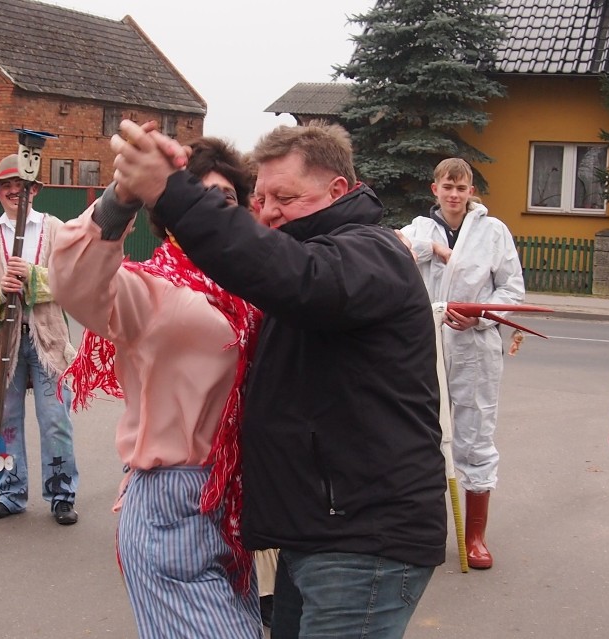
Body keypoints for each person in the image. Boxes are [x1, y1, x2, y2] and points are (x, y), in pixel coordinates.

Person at [110, 120, 447, 639]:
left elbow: (293, 275)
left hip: (363, 545)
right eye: (261, 197)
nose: (266, 211)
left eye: (284, 197)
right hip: (319, 537)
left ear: (337, 190)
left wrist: (171, 191)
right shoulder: (318, 258)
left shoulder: (369, 253)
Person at [49, 137, 264, 638]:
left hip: (234, 503)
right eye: (197, 198)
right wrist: (123, 195)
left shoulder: (257, 285)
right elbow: (75, 282)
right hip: (172, 501)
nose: (212, 210)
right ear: (170, 217)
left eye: (226, 200)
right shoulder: (151, 288)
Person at [398, 158, 525, 569]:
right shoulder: (418, 229)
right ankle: (424, 532)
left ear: (472, 191)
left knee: (474, 436)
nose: (454, 194)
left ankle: (475, 537)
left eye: (462, 187)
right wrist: (432, 248)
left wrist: (482, 315)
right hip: (425, 346)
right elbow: (390, 248)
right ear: (434, 188)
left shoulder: (493, 232)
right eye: (447, 186)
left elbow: (512, 289)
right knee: (420, 436)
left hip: (474, 349)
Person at [0, 153, 79, 525]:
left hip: (49, 341)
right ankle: (11, 493)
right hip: (4, 343)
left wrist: (32, 277)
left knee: (55, 418)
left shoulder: (56, 229)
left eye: (21, 186)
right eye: (7, 186)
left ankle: (61, 493)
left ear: (35, 189)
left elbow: (71, 279)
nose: (15, 191)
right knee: (5, 420)